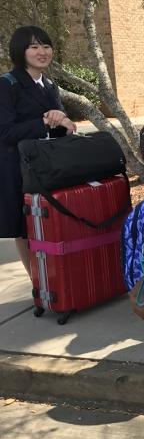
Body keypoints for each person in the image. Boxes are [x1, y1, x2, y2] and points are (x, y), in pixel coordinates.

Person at [0, 26, 76, 277]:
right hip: (18, 167)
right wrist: (43, 121)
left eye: (45, 46)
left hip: (48, 165)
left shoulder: (50, 86)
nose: (42, 52)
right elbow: (5, 133)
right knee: (25, 226)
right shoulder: (7, 85)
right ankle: (38, 282)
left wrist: (65, 124)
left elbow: (63, 128)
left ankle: (55, 280)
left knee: (48, 220)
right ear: (21, 51)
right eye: (34, 47)